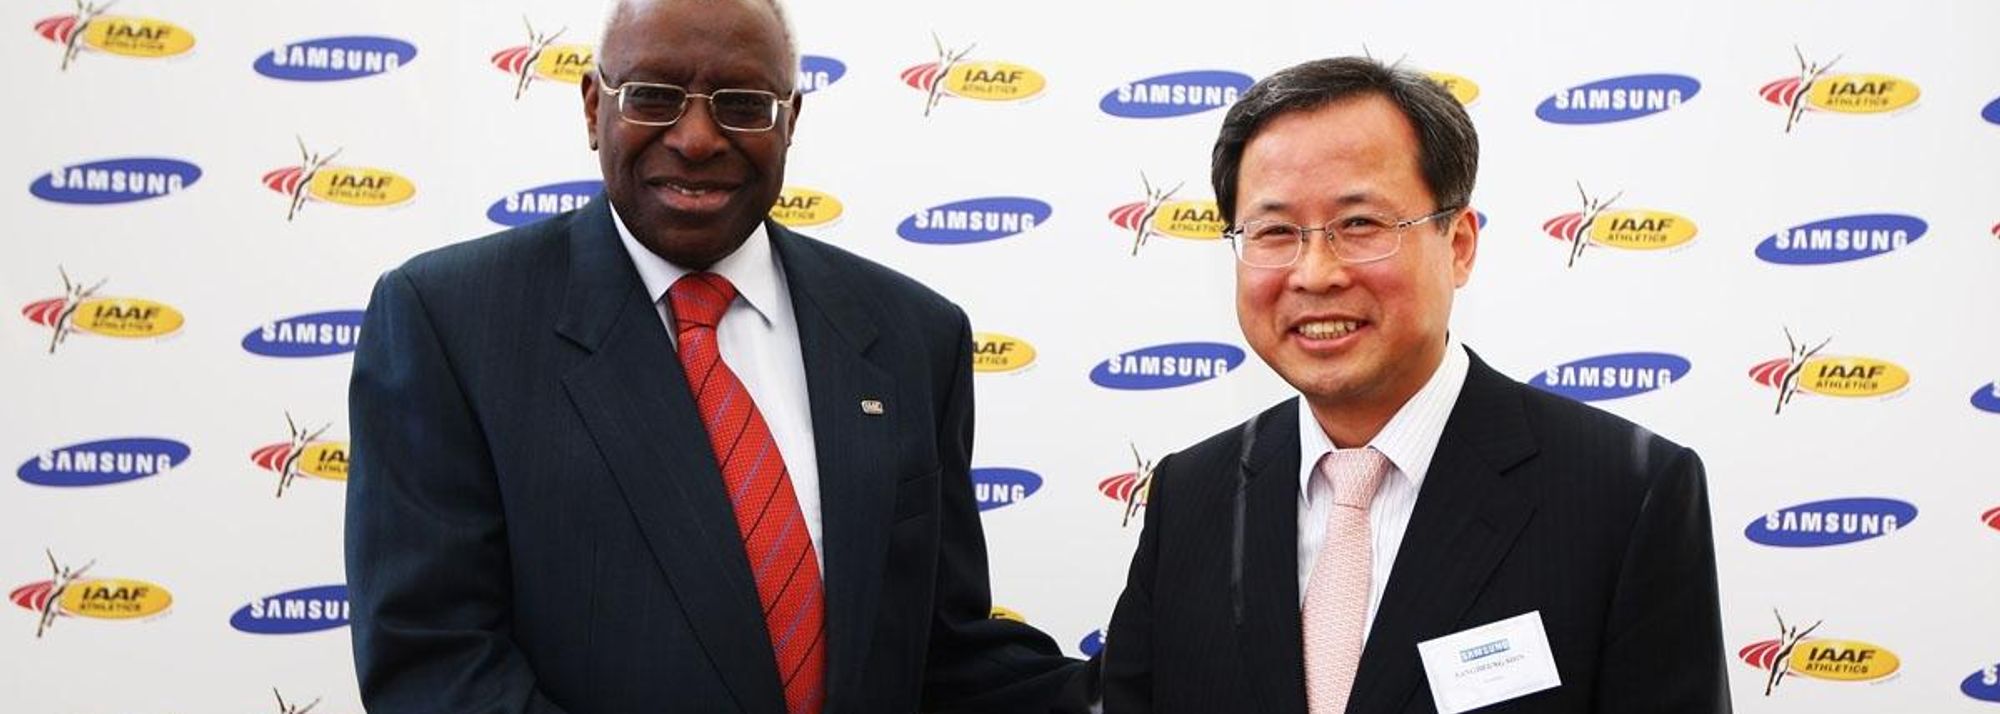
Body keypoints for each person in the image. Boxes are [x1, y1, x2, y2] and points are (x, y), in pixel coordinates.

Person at [343, 1, 1075, 711]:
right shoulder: (450, 323)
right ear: (594, 107)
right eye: (654, 95)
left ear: (790, 120)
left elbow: (941, 655)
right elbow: (435, 665)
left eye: (744, 104)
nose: (696, 138)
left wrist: (1122, 683)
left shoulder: (913, 335)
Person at [1088, 57, 1729, 713]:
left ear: (1460, 244)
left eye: (1360, 224)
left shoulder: (1626, 494)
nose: (1315, 273)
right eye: (1275, 231)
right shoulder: (1192, 495)